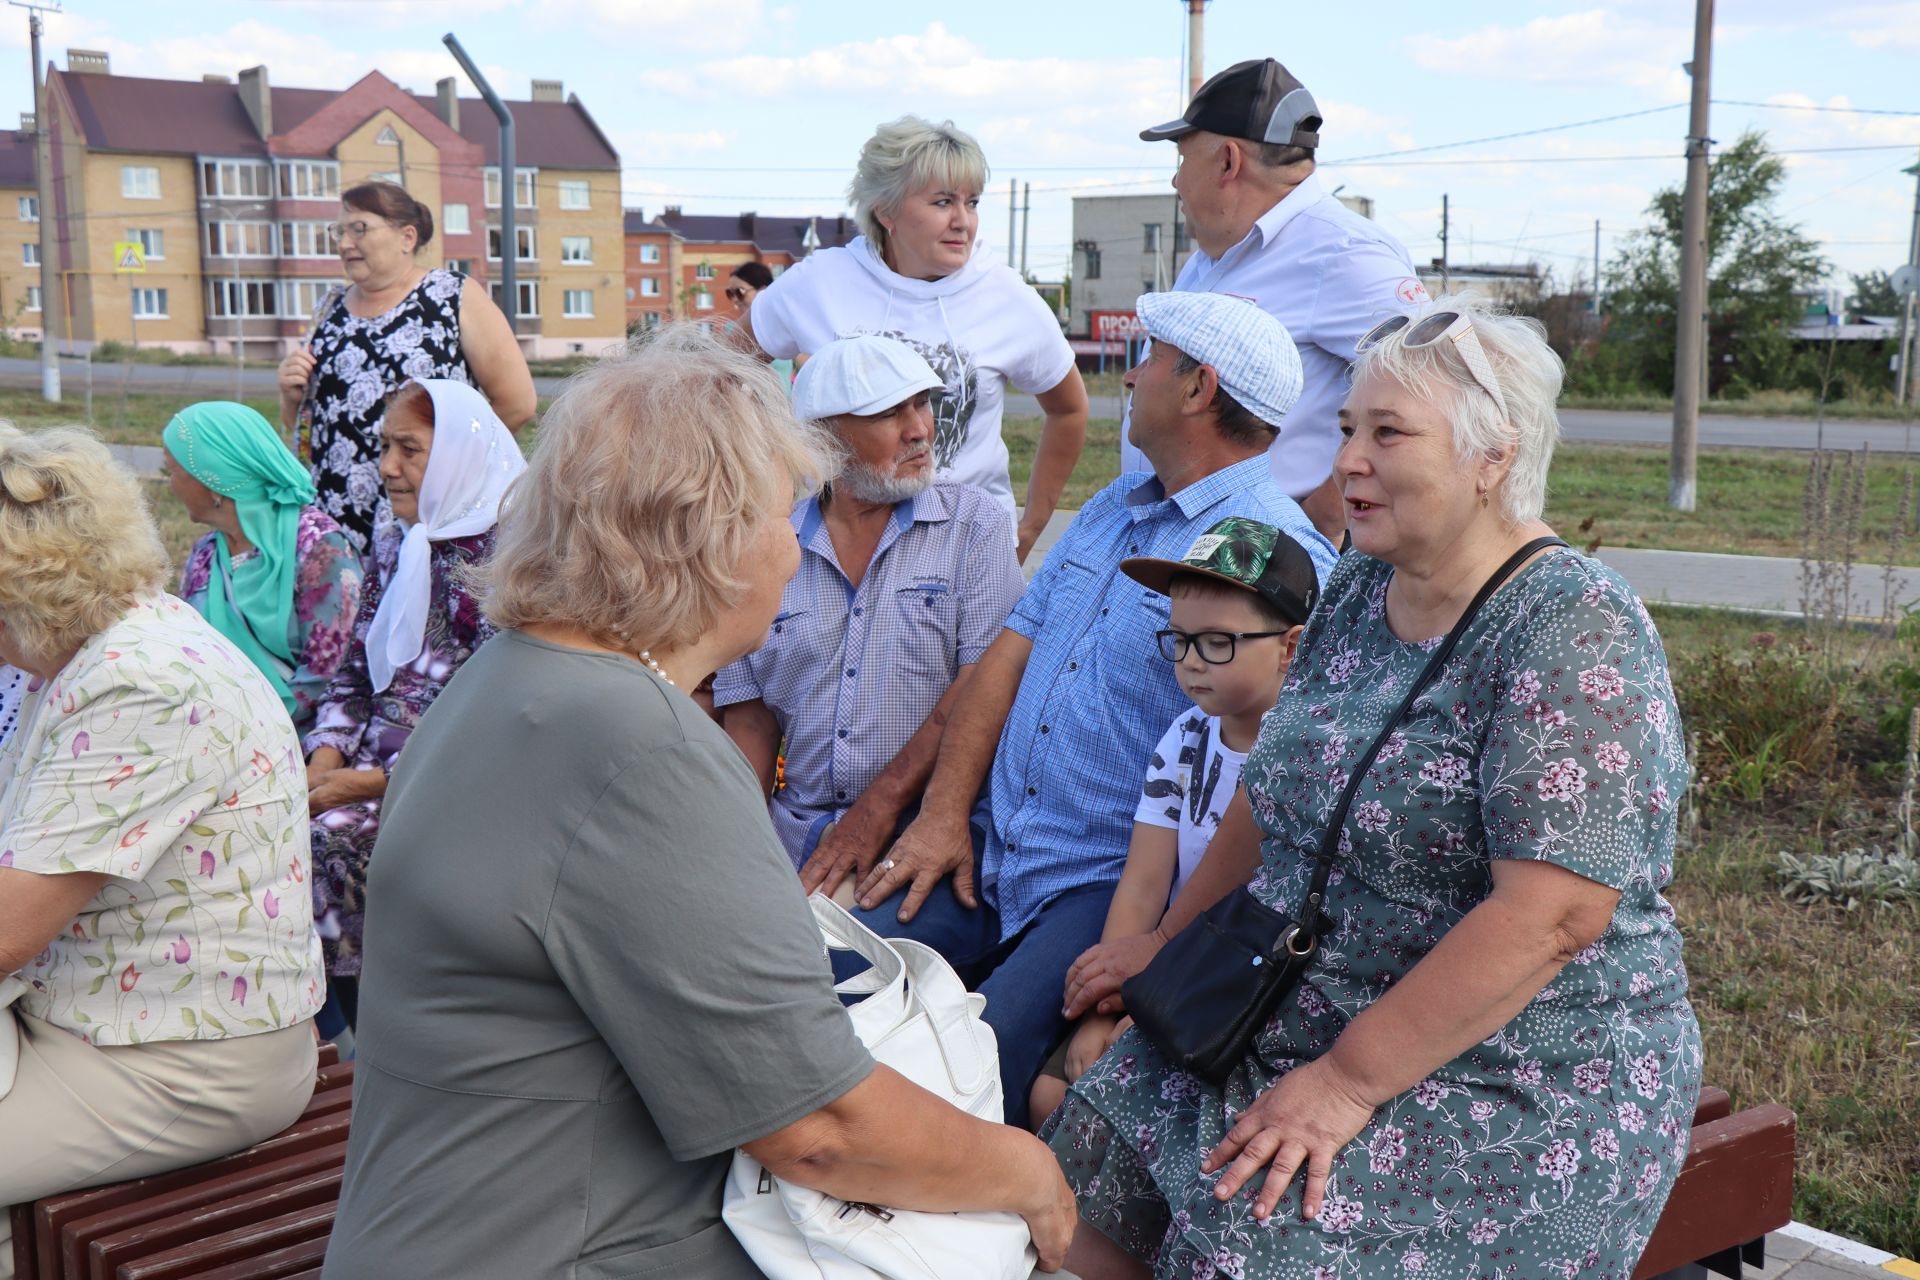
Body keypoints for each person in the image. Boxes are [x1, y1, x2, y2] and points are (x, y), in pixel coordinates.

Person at [321, 326, 1076, 1280]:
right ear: (710, 537)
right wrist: (1031, 1172)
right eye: (780, 512)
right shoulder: (637, 746)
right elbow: (819, 1127)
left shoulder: (510, 678)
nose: (792, 541)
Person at [1045, 299, 1702, 1280]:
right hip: (1313, 995)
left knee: (1256, 1232)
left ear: (1493, 458)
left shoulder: (1573, 626)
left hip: (1519, 1055)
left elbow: (1555, 910)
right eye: (1349, 425)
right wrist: (1167, 948)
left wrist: (1346, 1084)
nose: (1347, 456)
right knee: (1082, 1157)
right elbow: (1274, 797)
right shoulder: (1356, 585)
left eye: (1386, 431)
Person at [846, 291, 1338, 1129]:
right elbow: (1009, 656)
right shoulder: (1118, 505)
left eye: (1149, 357)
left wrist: (1148, 948)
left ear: (1196, 388)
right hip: (992, 848)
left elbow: (1279, 781)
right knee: (832, 974)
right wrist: (940, 816)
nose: (1131, 375)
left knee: (969, 1068)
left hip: (1106, 883)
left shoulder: (1275, 553)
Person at [0, 427, 323, 1278]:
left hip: (181, 1067)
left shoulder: (138, 681)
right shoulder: (95, 649)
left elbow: (7, 928)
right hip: (101, 1024)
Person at [1028, 517, 1315, 1126]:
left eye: (1217, 642)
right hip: (1158, 966)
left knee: (1114, 1111)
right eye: (1180, 639)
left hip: (1238, 985)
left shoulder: (1303, 756)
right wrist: (1102, 1008)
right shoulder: (1185, 740)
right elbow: (1144, 882)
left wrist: (1148, 1006)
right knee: (1049, 1095)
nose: (1190, 662)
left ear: (1289, 646)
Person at [717, 334, 1023, 884]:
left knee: (850, 961)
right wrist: (739, 850)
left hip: (921, 830)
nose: (920, 429)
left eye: (923, 403)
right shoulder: (762, 544)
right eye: (889, 413)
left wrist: (877, 807)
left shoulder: (974, 526)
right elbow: (750, 718)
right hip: (796, 833)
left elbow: (984, 686)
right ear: (821, 439)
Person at [745, 115, 1089, 563]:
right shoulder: (818, 283)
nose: (963, 221)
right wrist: (768, 489)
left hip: (965, 560)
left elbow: (1069, 408)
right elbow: (726, 375)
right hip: (829, 555)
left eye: (973, 202)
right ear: (885, 210)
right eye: (943, 202)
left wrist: (1028, 528)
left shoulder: (1006, 297)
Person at [1123, 58, 1428, 540]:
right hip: (1177, 538)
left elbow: (1430, 390)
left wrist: (1335, 506)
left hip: (1257, 559)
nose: (1177, 181)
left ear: (1227, 160)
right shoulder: (1211, 257)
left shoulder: (1346, 254)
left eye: (1182, 159)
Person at [304, 379, 524, 1027]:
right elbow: (352, 675)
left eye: (410, 449)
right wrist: (321, 761)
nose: (387, 468)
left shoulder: (502, 566)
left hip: (451, 786)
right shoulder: (405, 544)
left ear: (459, 454)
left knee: (316, 850)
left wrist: (361, 786)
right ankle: (337, 1037)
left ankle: (364, 1040)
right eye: (384, 447)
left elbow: (493, 728)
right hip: (364, 774)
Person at [277, 180, 537, 553]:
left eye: (359, 229)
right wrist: (291, 395)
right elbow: (306, 424)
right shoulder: (329, 307)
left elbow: (517, 403)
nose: (345, 242)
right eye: (340, 231)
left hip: (429, 518)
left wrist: (450, 472)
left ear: (407, 237)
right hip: (338, 525)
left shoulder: (451, 296)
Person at [163, 403, 363, 733]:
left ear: (213, 479)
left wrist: (248, 727)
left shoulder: (319, 546)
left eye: (173, 471)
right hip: (217, 733)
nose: (170, 484)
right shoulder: (206, 555)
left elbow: (331, 669)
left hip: (303, 743)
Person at [724, 261, 794, 382]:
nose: (735, 299)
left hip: (785, 400)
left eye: (740, 292)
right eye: (730, 293)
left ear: (763, 290)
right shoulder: (731, 329)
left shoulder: (785, 325)